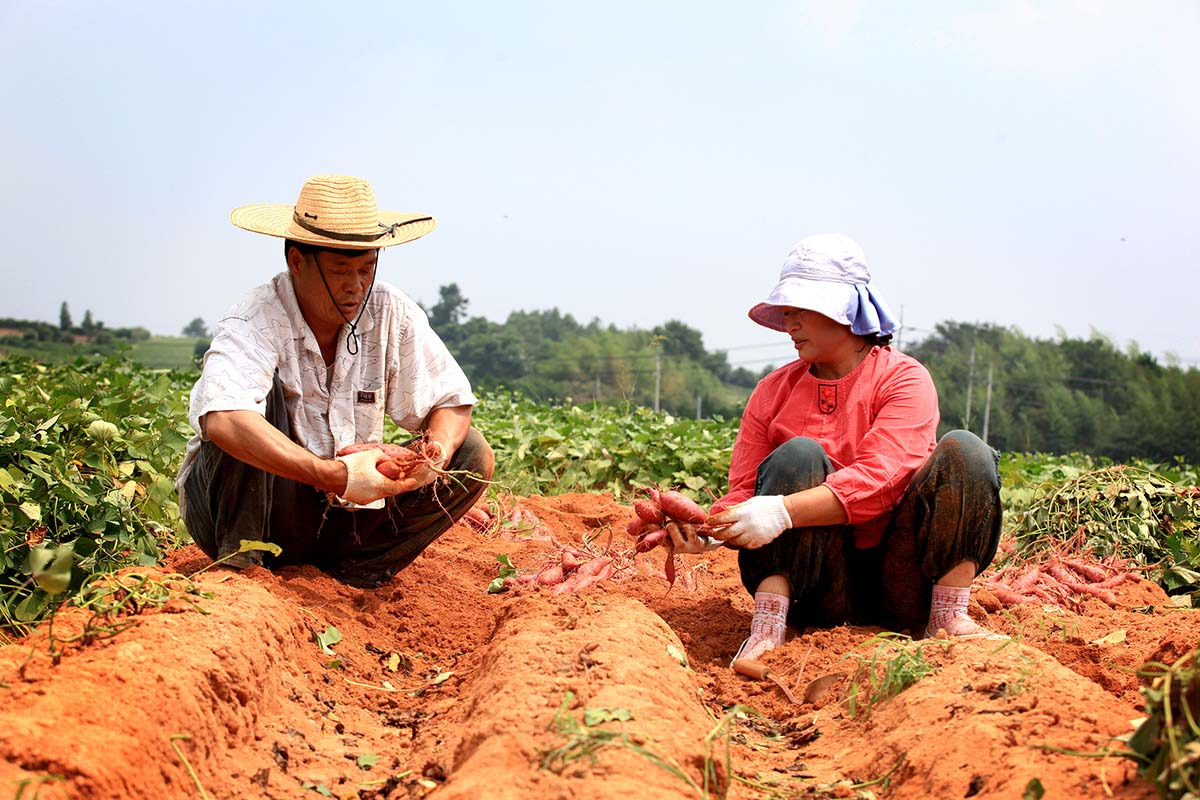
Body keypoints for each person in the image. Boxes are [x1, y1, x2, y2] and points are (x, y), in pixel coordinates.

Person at [667, 234, 1002, 660]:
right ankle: (769, 628)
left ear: (846, 310)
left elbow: (882, 479)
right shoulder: (772, 390)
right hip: (819, 585)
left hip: (902, 580)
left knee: (966, 451)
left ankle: (948, 618)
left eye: (802, 310)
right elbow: (744, 491)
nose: (791, 324)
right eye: (787, 312)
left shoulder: (905, 379)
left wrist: (781, 512)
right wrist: (711, 530)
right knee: (798, 454)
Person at [175, 174, 494, 587]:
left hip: (346, 519)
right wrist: (332, 475)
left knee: (470, 453)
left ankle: (356, 573)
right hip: (262, 509)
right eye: (341, 270)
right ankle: (241, 565)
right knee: (249, 408)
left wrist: (430, 455)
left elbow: (451, 400)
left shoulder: (389, 311)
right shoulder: (255, 318)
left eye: (366, 269)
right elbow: (224, 419)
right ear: (297, 261)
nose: (356, 286)